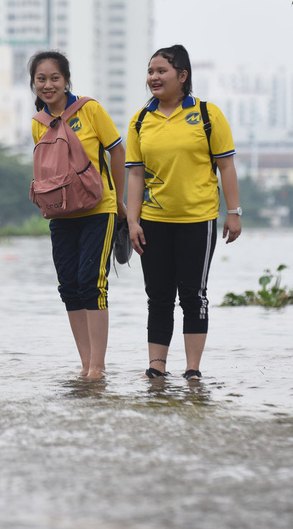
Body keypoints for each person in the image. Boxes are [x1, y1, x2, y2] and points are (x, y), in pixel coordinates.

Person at [125, 45, 241, 383]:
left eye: (162, 71)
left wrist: (233, 212)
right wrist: (132, 221)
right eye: (150, 71)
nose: (154, 77)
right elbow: (134, 175)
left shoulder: (207, 115)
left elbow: (227, 166)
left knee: (193, 295)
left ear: (183, 76)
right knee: (158, 296)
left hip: (198, 220)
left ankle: (193, 369)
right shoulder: (140, 120)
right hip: (153, 222)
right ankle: (157, 365)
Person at [29, 51, 127, 379]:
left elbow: (117, 150)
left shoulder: (90, 109)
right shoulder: (37, 123)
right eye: (41, 79)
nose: (48, 84)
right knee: (68, 285)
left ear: (66, 80)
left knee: (92, 283)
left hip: (99, 209)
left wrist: (119, 199)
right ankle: (85, 365)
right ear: (33, 84)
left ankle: (98, 367)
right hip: (61, 214)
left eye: (54, 78)